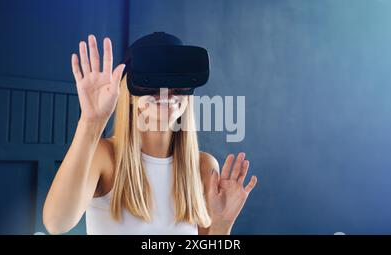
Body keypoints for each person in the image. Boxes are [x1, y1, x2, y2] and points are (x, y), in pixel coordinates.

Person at [43, 33, 258, 235]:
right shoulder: (105, 157)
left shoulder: (203, 167)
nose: (166, 92)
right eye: (151, 83)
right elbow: (56, 223)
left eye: (176, 83)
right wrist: (91, 122)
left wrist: (222, 224)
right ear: (128, 94)